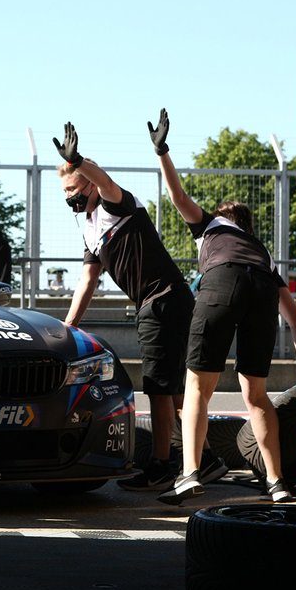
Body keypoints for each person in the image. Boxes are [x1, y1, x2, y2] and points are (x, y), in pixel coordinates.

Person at [152, 108, 296, 504]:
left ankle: (189, 473)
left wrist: (163, 152)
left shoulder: (212, 227)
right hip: (261, 292)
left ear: (223, 218)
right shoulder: (263, 253)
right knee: (256, 394)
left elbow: (178, 197)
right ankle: (277, 483)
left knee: (197, 387)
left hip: (223, 282)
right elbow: (293, 315)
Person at [52, 121, 200, 492]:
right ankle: (204, 458)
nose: (69, 197)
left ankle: (162, 464)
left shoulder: (115, 204)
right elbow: (88, 281)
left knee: (158, 388)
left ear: (88, 185)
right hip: (158, 301)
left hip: (163, 298)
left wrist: (78, 161)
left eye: (73, 189)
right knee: (173, 389)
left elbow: (104, 180)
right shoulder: (89, 227)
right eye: (64, 191)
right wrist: (68, 327)